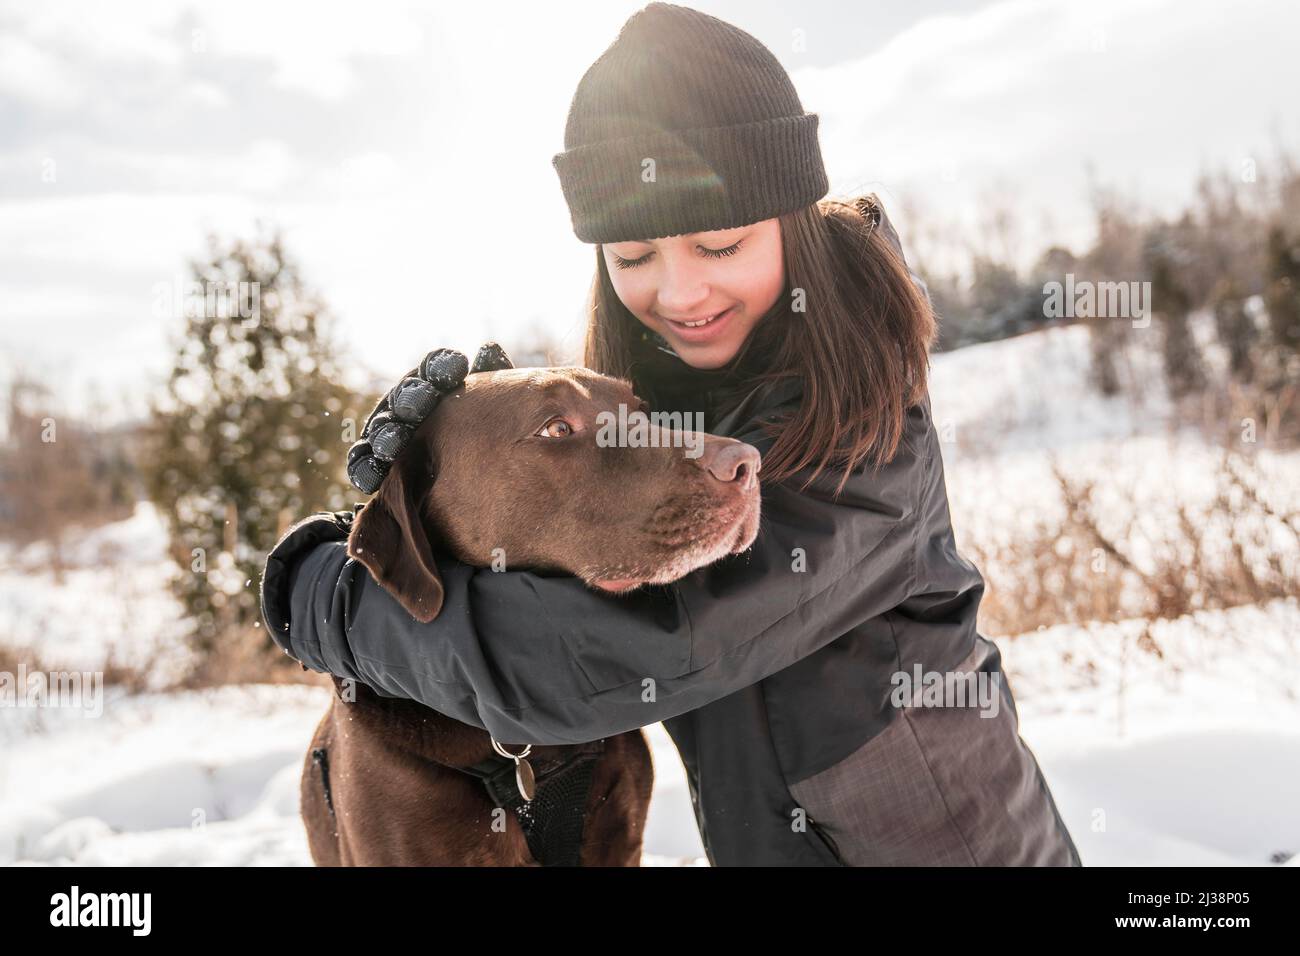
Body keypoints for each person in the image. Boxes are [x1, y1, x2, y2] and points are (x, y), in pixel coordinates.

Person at [259, 1, 1081, 867]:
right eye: (635, 259)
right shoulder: (670, 409)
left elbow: (599, 654)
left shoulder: (864, 437)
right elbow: (549, 577)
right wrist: (469, 457)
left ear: (791, 223)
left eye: (719, 242)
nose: (679, 294)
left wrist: (322, 592)